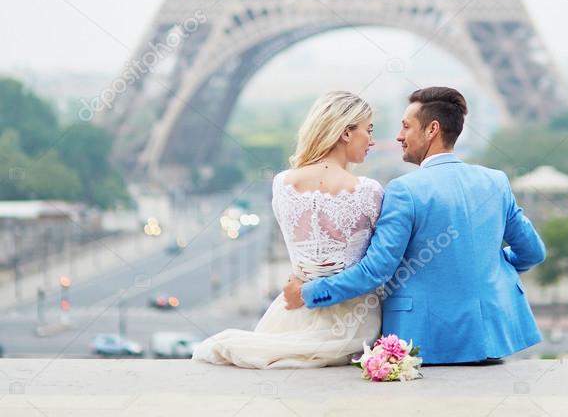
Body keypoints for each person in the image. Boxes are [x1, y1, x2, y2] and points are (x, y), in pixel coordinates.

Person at [283, 86, 546, 365]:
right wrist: (484, 260)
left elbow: (376, 271)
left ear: (432, 129)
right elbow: (532, 252)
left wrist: (308, 292)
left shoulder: (404, 191)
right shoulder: (495, 182)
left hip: (423, 339)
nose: (399, 136)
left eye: (406, 127)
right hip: (489, 337)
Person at [192, 91, 384, 368]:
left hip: (293, 312)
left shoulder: (283, 184)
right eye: (369, 130)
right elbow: (376, 268)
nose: (373, 140)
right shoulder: (368, 191)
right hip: (355, 321)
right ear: (345, 133)